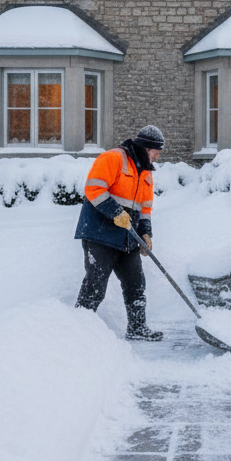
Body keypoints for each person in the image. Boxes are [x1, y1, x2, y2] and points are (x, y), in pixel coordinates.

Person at [75, 124, 165, 341]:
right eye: (156, 151)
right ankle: (77, 332)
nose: (157, 156)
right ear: (145, 148)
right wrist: (115, 212)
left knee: (136, 285)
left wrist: (146, 233)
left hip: (128, 237)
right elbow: (93, 189)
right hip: (100, 234)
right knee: (95, 286)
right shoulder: (113, 158)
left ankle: (137, 328)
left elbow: (145, 207)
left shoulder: (146, 173)